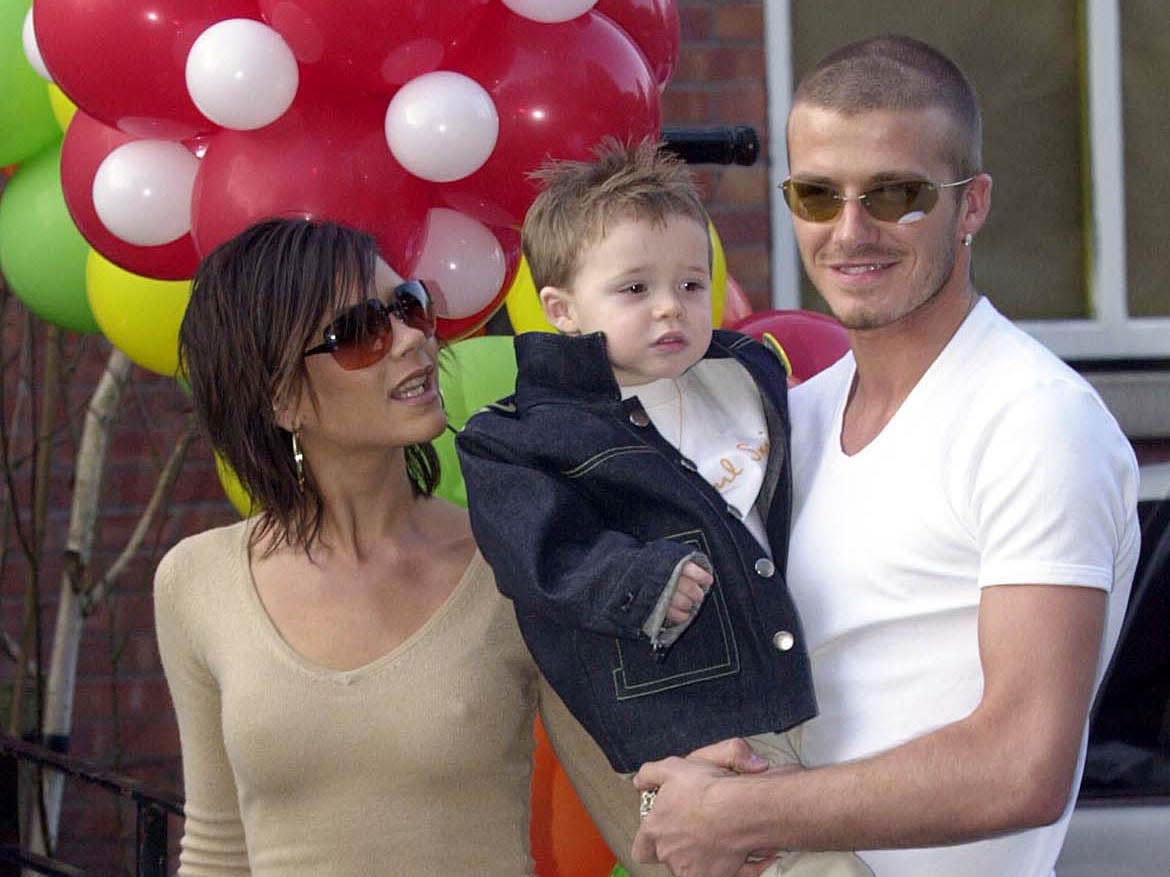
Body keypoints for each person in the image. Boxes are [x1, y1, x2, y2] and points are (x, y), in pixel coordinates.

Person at [630, 34, 1141, 877]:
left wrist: (737, 812)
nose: (851, 230)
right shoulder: (790, 421)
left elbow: (1022, 764)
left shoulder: (1035, 420)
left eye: (897, 193)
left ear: (971, 204)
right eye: (818, 194)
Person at [154, 217, 652, 876]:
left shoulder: (517, 559)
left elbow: (636, 815)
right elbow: (217, 851)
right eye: (359, 333)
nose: (413, 339)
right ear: (279, 397)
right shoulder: (197, 581)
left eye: (409, 306)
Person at [456, 140, 870, 877]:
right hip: (688, 726)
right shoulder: (525, 436)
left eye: (688, 284)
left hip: (805, 692)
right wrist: (642, 582)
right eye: (634, 288)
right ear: (562, 308)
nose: (669, 309)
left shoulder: (746, 375)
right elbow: (541, 556)